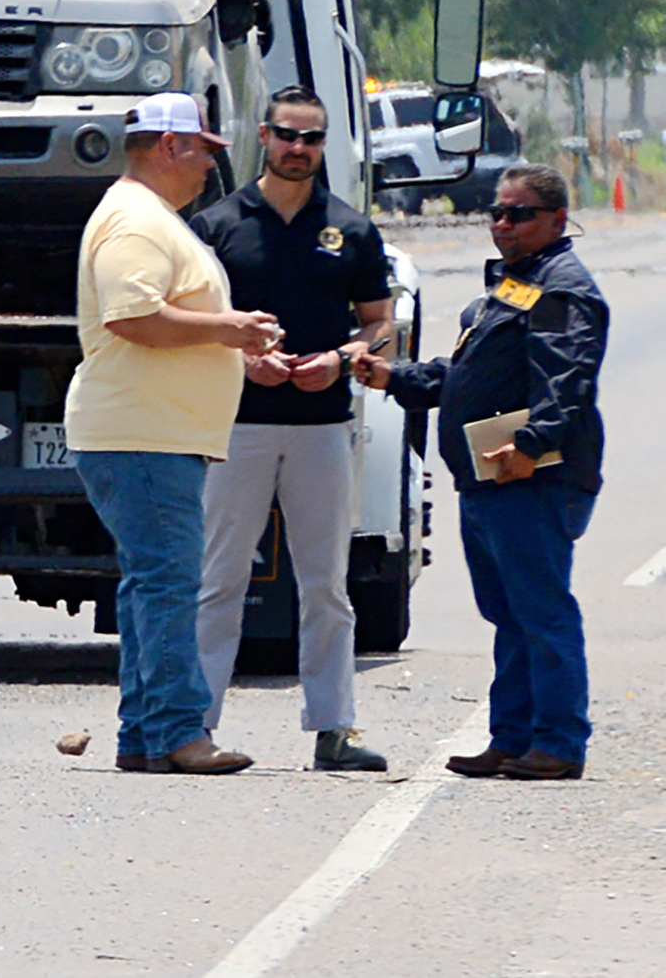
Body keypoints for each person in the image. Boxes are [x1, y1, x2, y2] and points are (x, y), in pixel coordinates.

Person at [357, 164, 606, 781]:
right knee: (510, 614)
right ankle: (513, 737)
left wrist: (530, 445)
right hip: (489, 478)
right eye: (497, 212)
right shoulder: (513, 286)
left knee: (541, 611)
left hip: (531, 476)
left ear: (555, 219)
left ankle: (558, 741)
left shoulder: (562, 288)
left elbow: (565, 379)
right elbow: (468, 374)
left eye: (519, 214)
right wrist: (397, 378)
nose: (503, 224)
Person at [66, 92, 283, 775]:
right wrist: (229, 330)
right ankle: (178, 730)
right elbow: (134, 316)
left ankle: (148, 733)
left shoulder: (149, 217)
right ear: (171, 146)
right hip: (144, 432)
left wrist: (237, 353)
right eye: (204, 152)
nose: (210, 169)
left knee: (151, 581)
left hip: (148, 429)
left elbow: (156, 319)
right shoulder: (136, 221)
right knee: (166, 582)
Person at [188, 86, 394, 773]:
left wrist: (340, 358)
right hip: (237, 426)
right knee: (219, 581)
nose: (298, 148)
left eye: (312, 138)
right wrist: (244, 358)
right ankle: (196, 722)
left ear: (323, 145)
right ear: (265, 138)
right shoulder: (218, 224)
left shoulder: (351, 228)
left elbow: (381, 321)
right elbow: (187, 324)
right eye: (287, 135)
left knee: (326, 583)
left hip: (320, 427)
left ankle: (334, 728)